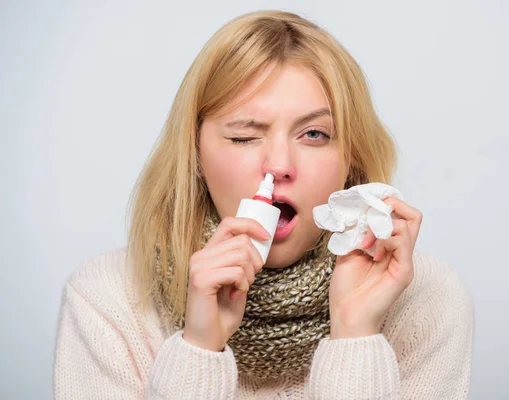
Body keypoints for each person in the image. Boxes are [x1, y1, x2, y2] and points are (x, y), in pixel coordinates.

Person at [53, 10, 474, 399]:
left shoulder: (427, 300)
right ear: (195, 157)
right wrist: (198, 350)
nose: (279, 165)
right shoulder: (107, 300)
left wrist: (355, 334)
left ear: (353, 159)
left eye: (313, 134)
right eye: (243, 136)